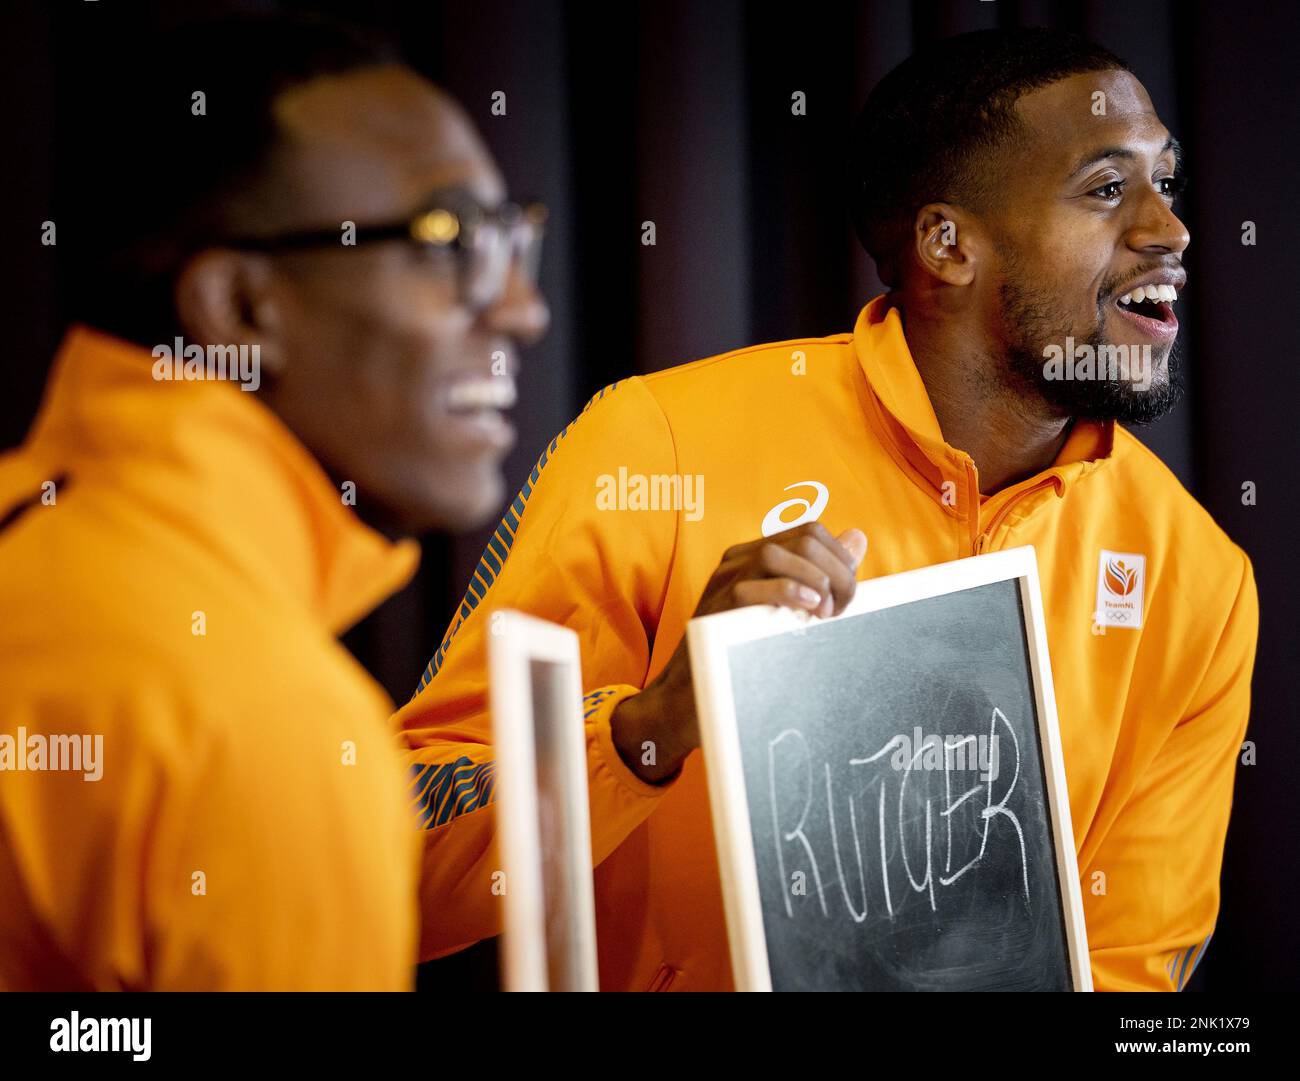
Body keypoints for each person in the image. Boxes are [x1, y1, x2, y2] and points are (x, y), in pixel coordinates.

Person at [396, 27, 1256, 991]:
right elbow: (398, 865)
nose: (1170, 231)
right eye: (1108, 189)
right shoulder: (656, 441)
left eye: (1165, 183)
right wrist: (646, 729)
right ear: (948, 243)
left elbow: (1136, 972)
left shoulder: (1199, 574)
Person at [0, 14, 546, 990]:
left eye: (511, 240)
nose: (521, 307)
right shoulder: (270, 726)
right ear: (242, 310)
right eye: (448, 238)